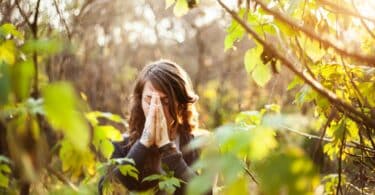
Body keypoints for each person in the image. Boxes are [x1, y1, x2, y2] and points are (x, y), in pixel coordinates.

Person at [98, 60, 209, 195]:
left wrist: (168, 149)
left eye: (166, 101)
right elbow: (106, 191)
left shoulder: (196, 145)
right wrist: (143, 144)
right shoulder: (121, 146)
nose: (156, 109)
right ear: (140, 101)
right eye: (149, 100)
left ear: (180, 104)